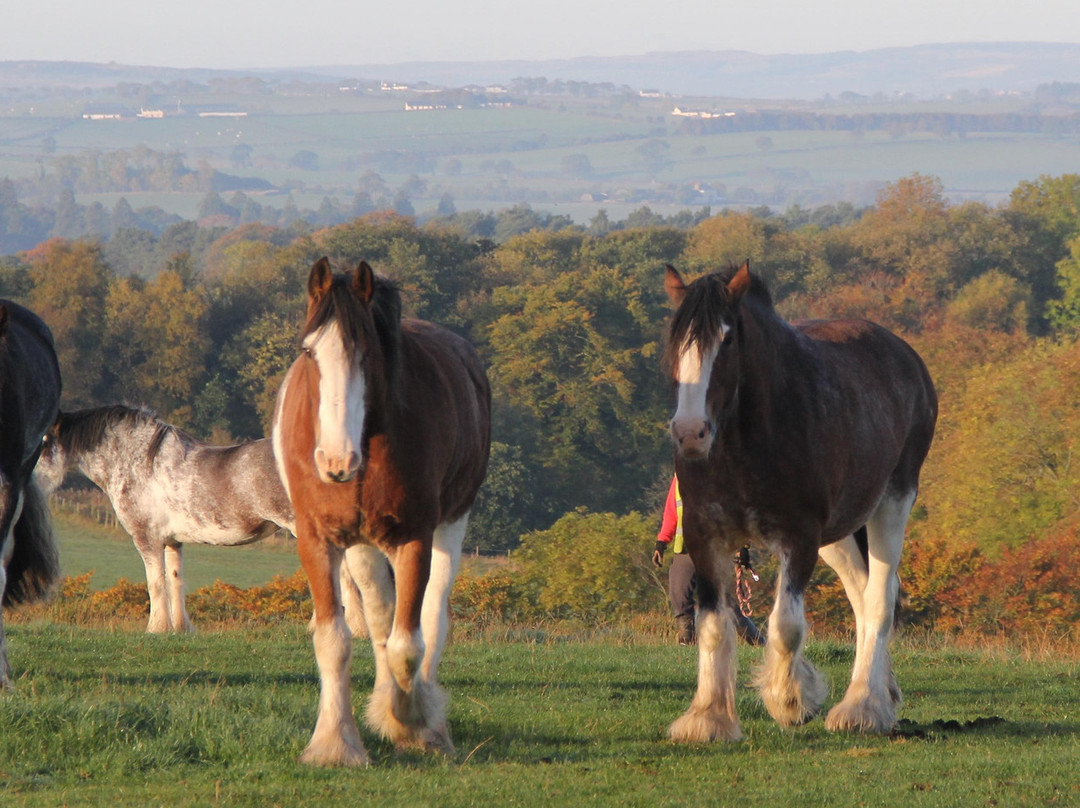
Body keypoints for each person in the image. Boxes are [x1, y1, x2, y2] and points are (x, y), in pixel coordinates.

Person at [652, 475, 765, 646]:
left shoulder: (721, 473)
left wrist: (743, 546)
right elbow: (672, 512)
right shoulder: (680, 478)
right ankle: (686, 645)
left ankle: (759, 645)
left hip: (714, 549)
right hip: (686, 549)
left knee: (722, 602)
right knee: (679, 596)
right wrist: (661, 542)